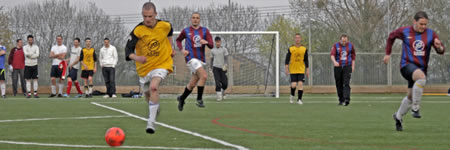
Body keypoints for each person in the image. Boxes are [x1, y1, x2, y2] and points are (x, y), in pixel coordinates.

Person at [384, 11, 445, 131]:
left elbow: (441, 51)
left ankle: (398, 116)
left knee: (411, 96)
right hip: (406, 65)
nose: (423, 27)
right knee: (421, 78)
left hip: (420, 68)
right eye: (421, 24)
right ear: (414, 22)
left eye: (425, 24)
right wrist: (387, 53)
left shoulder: (431, 34)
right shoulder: (404, 31)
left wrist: (439, 47)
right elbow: (391, 37)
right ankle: (416, 108)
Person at [125, 2, 174, 134]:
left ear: (155, 15)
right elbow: (128, 50)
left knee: (154, 87)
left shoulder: (165, 25)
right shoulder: (137, 30)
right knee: (148, 94)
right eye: (145, 16)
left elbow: (170, 31)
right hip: (144, 69)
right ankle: (154, 107)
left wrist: (170, 47)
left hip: (162, 64)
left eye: (150, 16)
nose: (147, 19)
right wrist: (137, 58)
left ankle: (151, 123)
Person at [176, 12, 213, 111]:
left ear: (199, 19)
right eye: (193, 18)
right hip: (190, 58)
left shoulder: (205, 31)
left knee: (192, 84)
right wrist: (182, 50)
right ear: (191, 19)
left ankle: (182, 98)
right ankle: (199, 99)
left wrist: (206, 42)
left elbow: (211, 45)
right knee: (204, 76)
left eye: (197, 18)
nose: (195, 19)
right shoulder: (186, 31)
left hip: (201, 60)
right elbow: (178, 40)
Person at [330, 34, 356, 106]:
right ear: (340, 40)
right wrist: (334, 62)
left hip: (347, 67)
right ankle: (341, 99)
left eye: (345, 41)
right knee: (339, 83)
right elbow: (332, 55)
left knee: (346, 83)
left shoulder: (351, 46)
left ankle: (347, 99)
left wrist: (353, 66)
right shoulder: (336, 46)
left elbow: (353, 57)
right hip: (338, 67)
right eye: (343, 41)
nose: (344, 42)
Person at [285, 33, 309, 105]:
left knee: (300, 84)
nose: (297, 39)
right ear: (294, 39)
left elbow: (306, 60)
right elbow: (287, 60)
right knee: (294, 85)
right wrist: (286, 68)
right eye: (296, 38)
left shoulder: (304, 49)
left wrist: (307, 70)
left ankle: (299, 99)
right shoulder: (291, 49)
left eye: (299, 38)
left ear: (300, 39)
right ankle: (292, 95)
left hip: (301, 70)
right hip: (293, 70)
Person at [210, 37, 229, 101]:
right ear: (215, 42)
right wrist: (210, 68)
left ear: (220, 42)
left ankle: (223, 92)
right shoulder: (212, 50)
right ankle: (219, 96)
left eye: (219, 42)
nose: (218, 43)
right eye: (216, 42)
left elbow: (226, 58)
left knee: (225, 84)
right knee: (217, 83)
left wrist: (226, 64)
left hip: (223, 68)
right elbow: (211, 60)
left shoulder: (224, 49)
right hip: (215, 68)